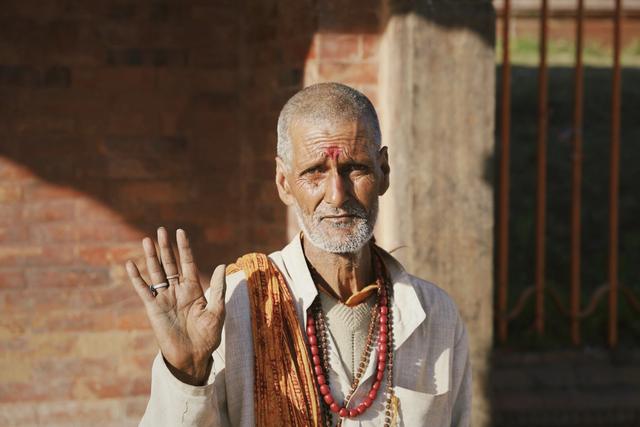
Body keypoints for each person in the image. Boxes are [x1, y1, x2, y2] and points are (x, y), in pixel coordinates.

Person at [126, 82, 471, 427]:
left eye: (355, 168)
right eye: (315, 172)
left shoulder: (435, 316)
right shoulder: (235, 307)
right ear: (283, 183)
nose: (337, 195)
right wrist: (187, 374)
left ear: (384, 173)